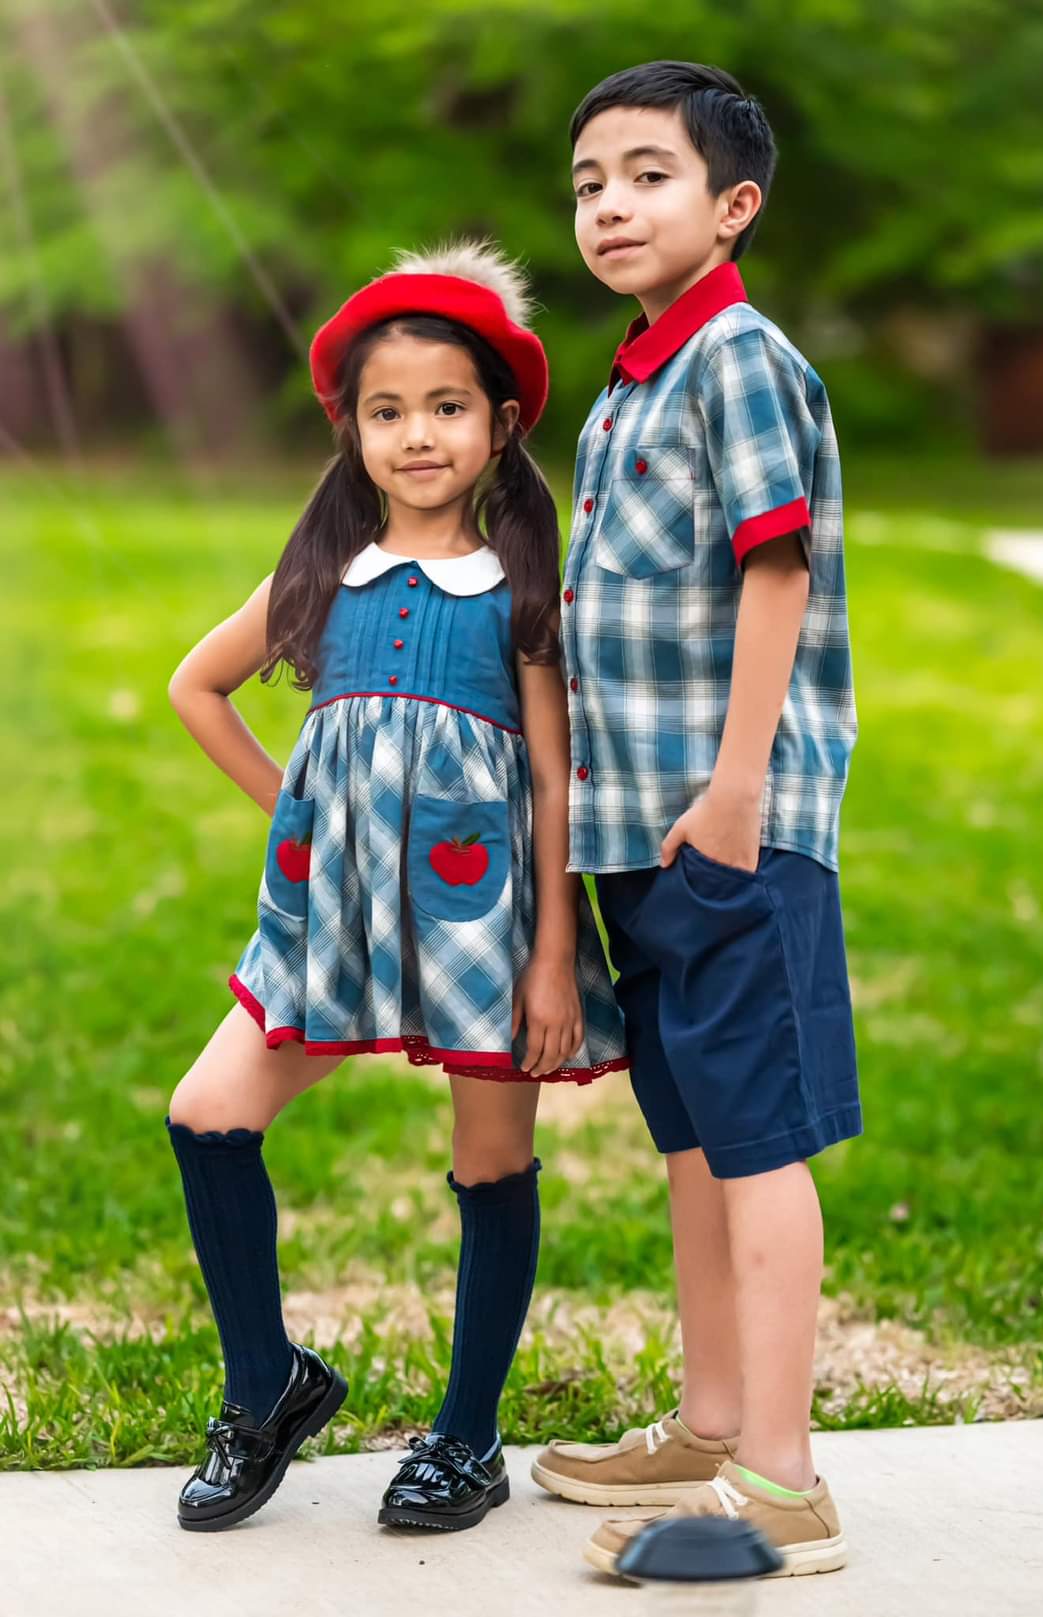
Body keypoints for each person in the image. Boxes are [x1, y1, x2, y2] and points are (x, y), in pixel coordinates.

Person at [164, 241, 626, 1536]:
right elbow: (194, 687)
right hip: (336, 920)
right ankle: (266, 1388)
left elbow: (549, 773)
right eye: (386, 411)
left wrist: (549, 960)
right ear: (350, 428)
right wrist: (298, 820)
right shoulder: (323, 573)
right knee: (206, 1114)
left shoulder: (520, 582)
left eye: (445, 406)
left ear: (500, 420)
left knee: (491, 1159)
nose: (415, 434)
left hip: (491, 923)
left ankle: (466, 1435)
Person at [530, 63, 861, 1577]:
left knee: (755, 1138)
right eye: (590, 179)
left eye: (647, 174)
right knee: (690, 1137)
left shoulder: (740, 359)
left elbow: (776, 575)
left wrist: (736, 791)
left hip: (732, 822)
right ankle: (714, 1418)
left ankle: (785, 1482)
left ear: (733, 206)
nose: (609, 202)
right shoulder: (627, 387)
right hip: (635, 834)